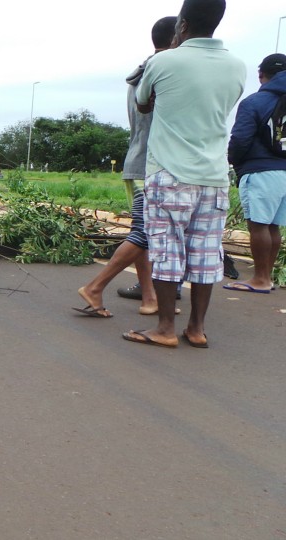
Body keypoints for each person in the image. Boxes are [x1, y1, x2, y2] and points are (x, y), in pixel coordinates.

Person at [123, 0, 245, 348]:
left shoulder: (163, 61)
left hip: (168, 171)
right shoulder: (237, 66)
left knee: (166, 250)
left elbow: (144, 102)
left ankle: (164, 328)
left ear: (183, 24)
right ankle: (196, 328)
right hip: (214, 175)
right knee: (206, 252)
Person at [73, 16, 177, 317]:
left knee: (141, 234)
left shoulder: (142, 72)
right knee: (143, 234)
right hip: (152, 163)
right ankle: (95, 287)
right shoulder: (160, 74)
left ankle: (149, 297)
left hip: (139, 160)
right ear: (175, 39)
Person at [224, 53, 286, 294]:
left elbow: (240, 139)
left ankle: (260, 279)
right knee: (274, 227)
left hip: (260, 170)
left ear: (262, 75)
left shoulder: (254, 102)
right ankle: (266, 277)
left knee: (258, 226)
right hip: (284, 172)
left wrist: (235, 163)